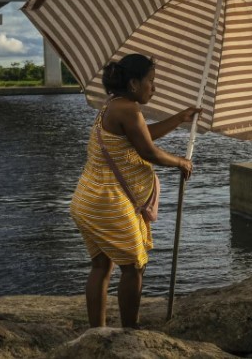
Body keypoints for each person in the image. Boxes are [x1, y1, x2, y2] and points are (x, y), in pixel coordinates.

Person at [70, 54, 203, 328]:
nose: (154, 88)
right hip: (109, 203)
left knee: (101, 266)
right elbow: (147, 151)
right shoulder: (129, 110)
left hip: (88, 199)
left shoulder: (114, 106)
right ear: (133, 83)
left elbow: (143, 134)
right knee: (134, 266)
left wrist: (178, 118)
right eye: (151, 81)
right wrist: (181, 161)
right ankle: (130, 331)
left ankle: (98, 331)